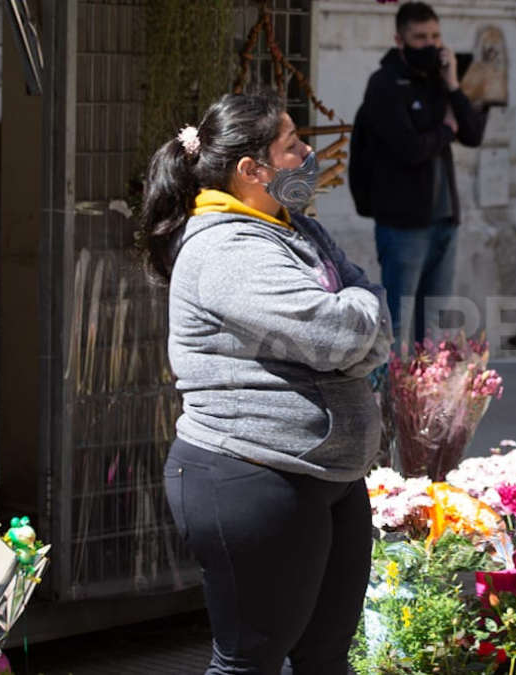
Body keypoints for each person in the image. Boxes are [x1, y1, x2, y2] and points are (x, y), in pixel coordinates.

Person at [137, 91, 392, 675]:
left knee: (326, 659)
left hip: (328, 475)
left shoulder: (291, 226)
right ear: (251, 170)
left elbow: (366, 311)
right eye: (293, 145)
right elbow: (337, 333)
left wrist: (360, 321)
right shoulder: (227, 248)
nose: (308, 153)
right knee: (249, 663)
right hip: (254, 476)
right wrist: (361, 323)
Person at [350, 1, 485, 345]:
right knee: (395, 326)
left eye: (436, 36)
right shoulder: (384, 85)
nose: (431, 44)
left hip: (444, 222)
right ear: (400, 39)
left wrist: (453, 85)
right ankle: (388, 399)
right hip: (403, 226)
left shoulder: (439, 82)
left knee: (434, 331)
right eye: (420, 37)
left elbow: (472, 133)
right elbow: (408, 149)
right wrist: (444, 130)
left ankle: (423, 400)